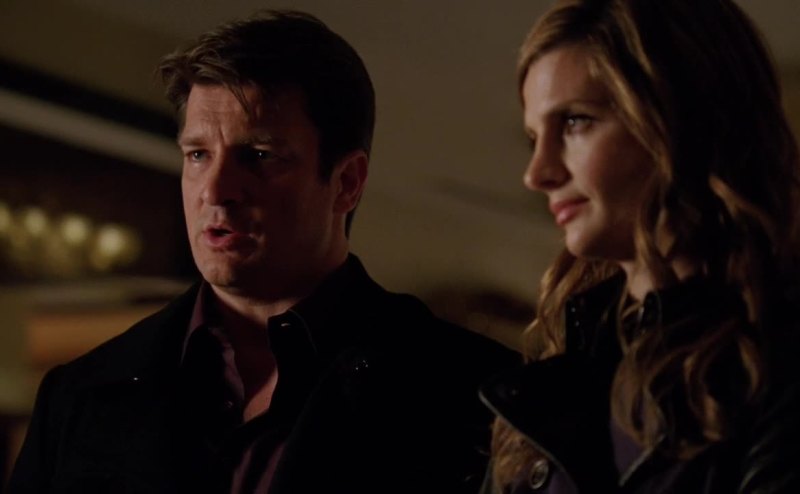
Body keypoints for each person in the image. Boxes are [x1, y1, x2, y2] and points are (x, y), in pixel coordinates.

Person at [9, 10, 515, 494]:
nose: (215, 190)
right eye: (198, 155)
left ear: (347, 182)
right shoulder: (79, 395)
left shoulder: (472, 393)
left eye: (258, 156)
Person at [480, 0, 800, 492]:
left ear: (683, 120)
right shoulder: (562, 374)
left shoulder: (778, 361)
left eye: (575, 122)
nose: (537, 173)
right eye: (533, 137)